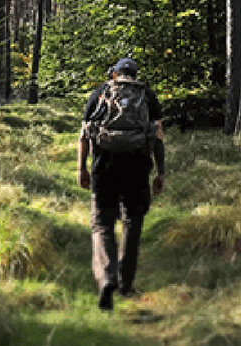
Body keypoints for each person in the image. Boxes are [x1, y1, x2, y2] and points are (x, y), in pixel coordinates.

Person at [78, 57, 166, 311]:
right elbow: (157, 137)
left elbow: (84, 135)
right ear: (135, 75)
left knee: (102, 223)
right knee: (132, 222)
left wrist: (81, 168)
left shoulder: (100, 94)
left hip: (104, 167)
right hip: (138, 167)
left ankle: (107, 278)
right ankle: (125, 284)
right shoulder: (147, 97)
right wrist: (160, 172)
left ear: (114, 74)